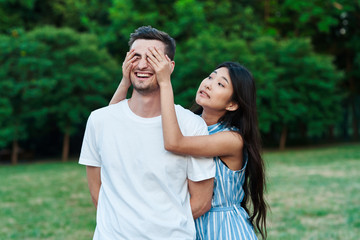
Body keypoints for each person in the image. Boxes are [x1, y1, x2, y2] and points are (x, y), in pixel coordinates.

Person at [111, 49, 267, 239]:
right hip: (188, 228)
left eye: (220, 84)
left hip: (224, 230)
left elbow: (174, 143)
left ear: (232, 104)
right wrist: (126, 81)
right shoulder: (186, 124)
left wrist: (165, 81)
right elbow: (113, 125)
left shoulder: (232, 139)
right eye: (210, 77)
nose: (209, 84)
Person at [79, 26, 215, 240]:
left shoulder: (192, 125)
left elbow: (202, 201)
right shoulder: (99, 120)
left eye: (152, 58)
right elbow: (97, 190)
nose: (142, 65)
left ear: (169, 66)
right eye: (136, 56)